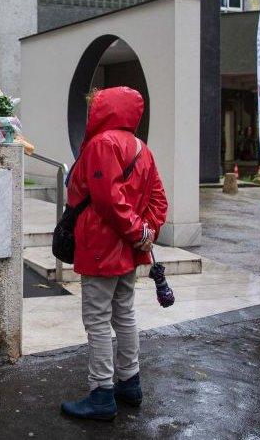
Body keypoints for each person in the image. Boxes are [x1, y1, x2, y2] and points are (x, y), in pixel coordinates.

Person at [60, 87, 168, 421]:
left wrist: (138, 232)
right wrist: (146, 233)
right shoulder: (141, 148)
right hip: (127, 249)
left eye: (94, 106)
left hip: (101, 245)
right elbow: (158, 199)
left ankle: (101, 393)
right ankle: (129, 382)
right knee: (124, 313)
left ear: (104, 110)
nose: (91, 111)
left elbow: (107, 198)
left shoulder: (101, 144)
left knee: (96, 320)